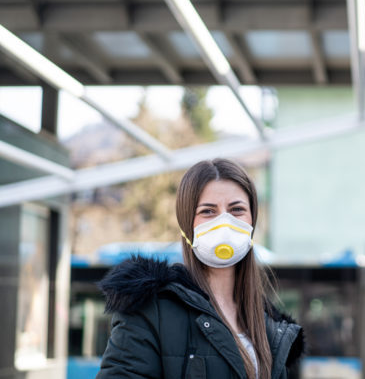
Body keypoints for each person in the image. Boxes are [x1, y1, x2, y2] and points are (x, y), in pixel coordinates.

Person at [97, 159, 304, 379]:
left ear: (252, 221)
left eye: (237, 210)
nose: (224, 223)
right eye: (208, 211)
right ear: (187, 225)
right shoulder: (149, 311)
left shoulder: (269, 326)